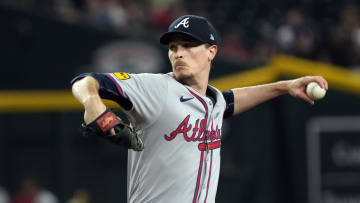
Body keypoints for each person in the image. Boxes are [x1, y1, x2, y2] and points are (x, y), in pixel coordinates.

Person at [71, 15, 328, 203]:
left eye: (189, 45)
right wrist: (93, 103)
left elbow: (228, 102)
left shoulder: (212, 102)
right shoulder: (156, 89)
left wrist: (284, 86)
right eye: (174, 47)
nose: (179, 53)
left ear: (211, 52)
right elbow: (85, 81)